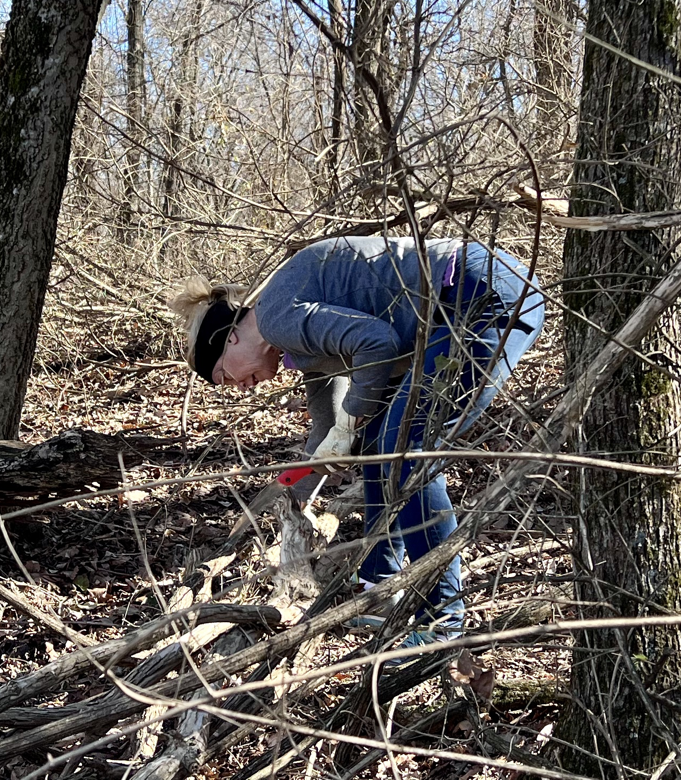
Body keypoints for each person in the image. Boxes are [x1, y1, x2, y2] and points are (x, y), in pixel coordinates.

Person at [169, 234, 545, 633]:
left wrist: (349, 422)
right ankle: (379, 584)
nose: (241, 387)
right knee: (379, 446)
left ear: (229, 336)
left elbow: (376, 342)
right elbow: (328, 425)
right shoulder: (291, 336)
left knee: (406, 448)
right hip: (464, 301)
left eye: (227, 375)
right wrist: (293, 497)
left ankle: (442, 622)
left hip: (479, 296)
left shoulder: (277, 317)